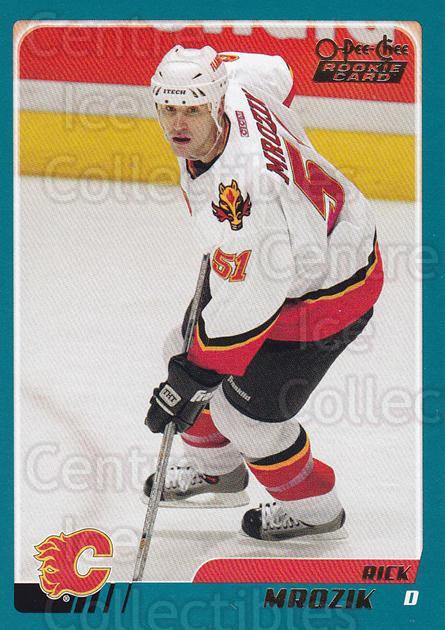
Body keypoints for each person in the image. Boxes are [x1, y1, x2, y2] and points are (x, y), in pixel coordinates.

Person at [143, 45, 384, 540]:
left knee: (244, 418)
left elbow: (253, 299)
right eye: (169, 108)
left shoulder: (244, 195)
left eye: (192, 109)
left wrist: (193, 378)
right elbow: (279, 71)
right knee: (178, 349)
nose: (178, 124)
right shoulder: (237, 85)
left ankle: (315, 509)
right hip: (297, 249)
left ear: (214, 103)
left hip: (325, 291)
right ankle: (218, 474)